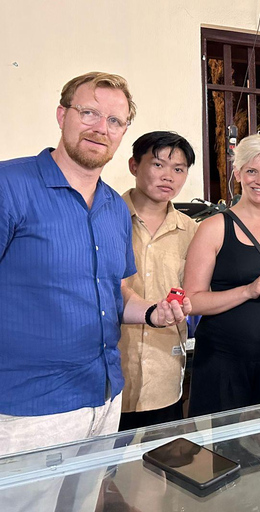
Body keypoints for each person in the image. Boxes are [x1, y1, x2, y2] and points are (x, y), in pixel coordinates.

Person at [0, 72, 190, 512]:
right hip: (31, 408)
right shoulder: (11, 186)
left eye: (114, 120)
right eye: (89, 112)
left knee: (85, 505)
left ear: (123, 133)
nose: (100, 128)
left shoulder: (112, 208)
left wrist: (153, 313)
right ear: (63, 114)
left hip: (104, 398)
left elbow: (116, 295)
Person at [184, 132, 260, 416]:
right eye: (251, 171)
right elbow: (192, 300)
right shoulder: (214, 227)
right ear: (238, 173)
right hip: (223, 362)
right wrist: (248, 290)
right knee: (229, 452)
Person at [118, 131, 198, 431]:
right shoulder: (105, 216)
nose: (169, 177)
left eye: (178, 169)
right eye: (158, 165)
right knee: (103, 474)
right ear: (133, 165)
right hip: (111, 375)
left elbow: (195, 290)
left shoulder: (190, 230)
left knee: (159, 469)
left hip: (164, 372)